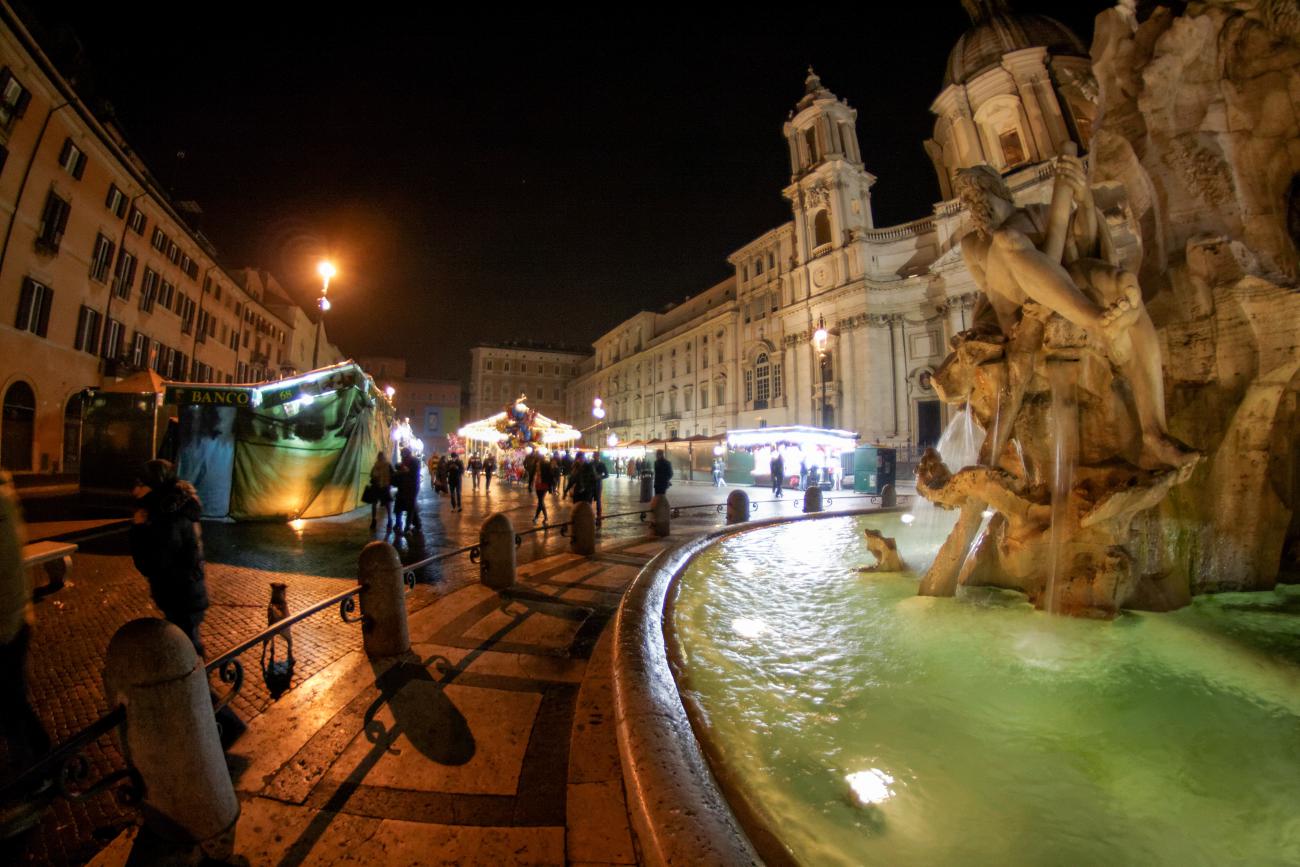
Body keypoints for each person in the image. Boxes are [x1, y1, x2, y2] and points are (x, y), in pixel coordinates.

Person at [0, 470, 52, 827]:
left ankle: (35, 776)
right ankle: (41, 760)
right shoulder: (5, 499)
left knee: (11, 704)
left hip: (7, 625)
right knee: (11, 701)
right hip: (12, 619)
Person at [130, 459, 211, 656]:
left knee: (187, 651)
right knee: (187, 645)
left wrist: (139, 529)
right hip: (184, 592)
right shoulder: (172, 506)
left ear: (154, 484)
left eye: (140, 484)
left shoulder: (168, 515)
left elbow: (153, 562)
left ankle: (201, 675)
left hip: (181, 594)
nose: (134, 490)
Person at [392, 448, 419, 536]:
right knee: (401, 507)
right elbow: (398, 468)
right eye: (402, 454)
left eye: (403, 454)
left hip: (411, 489)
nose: (402, 456)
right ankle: (402, 523)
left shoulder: (414, 461)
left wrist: (405, 470)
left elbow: (413, 474)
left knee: (410, 508)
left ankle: (407, 527)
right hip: (403, 489)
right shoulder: (404, 462)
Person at [369, 450, 393, 533]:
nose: (380, 457)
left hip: (383, 487)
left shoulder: (385, 465)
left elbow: (392, 474)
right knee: (378, 504)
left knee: (385, 504)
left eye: (380, 456)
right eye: (379, 456)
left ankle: (388, 519)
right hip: (379, 487)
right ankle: (375, 520)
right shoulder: (378, 465)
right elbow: (371, 474)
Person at [531, 456, 551, 524]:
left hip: (542, 485)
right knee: (541, 501)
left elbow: (550, 475)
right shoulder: (544, 464)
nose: (537, 467)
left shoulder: (545, 465)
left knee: (540, 501)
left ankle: (537, 517)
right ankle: (545, 517)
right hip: (539, 485)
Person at [590, 451, 609, 521]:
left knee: (598, 499)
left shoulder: (602, 464)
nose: (594, 457)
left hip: (598, 483)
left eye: (595, 455)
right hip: (591, 483)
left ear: (598, 456)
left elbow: (607, 475)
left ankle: (599, 514)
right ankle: (590, 513)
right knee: (590, 498)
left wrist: (600, 477)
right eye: (594, 455)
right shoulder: (590, 464)